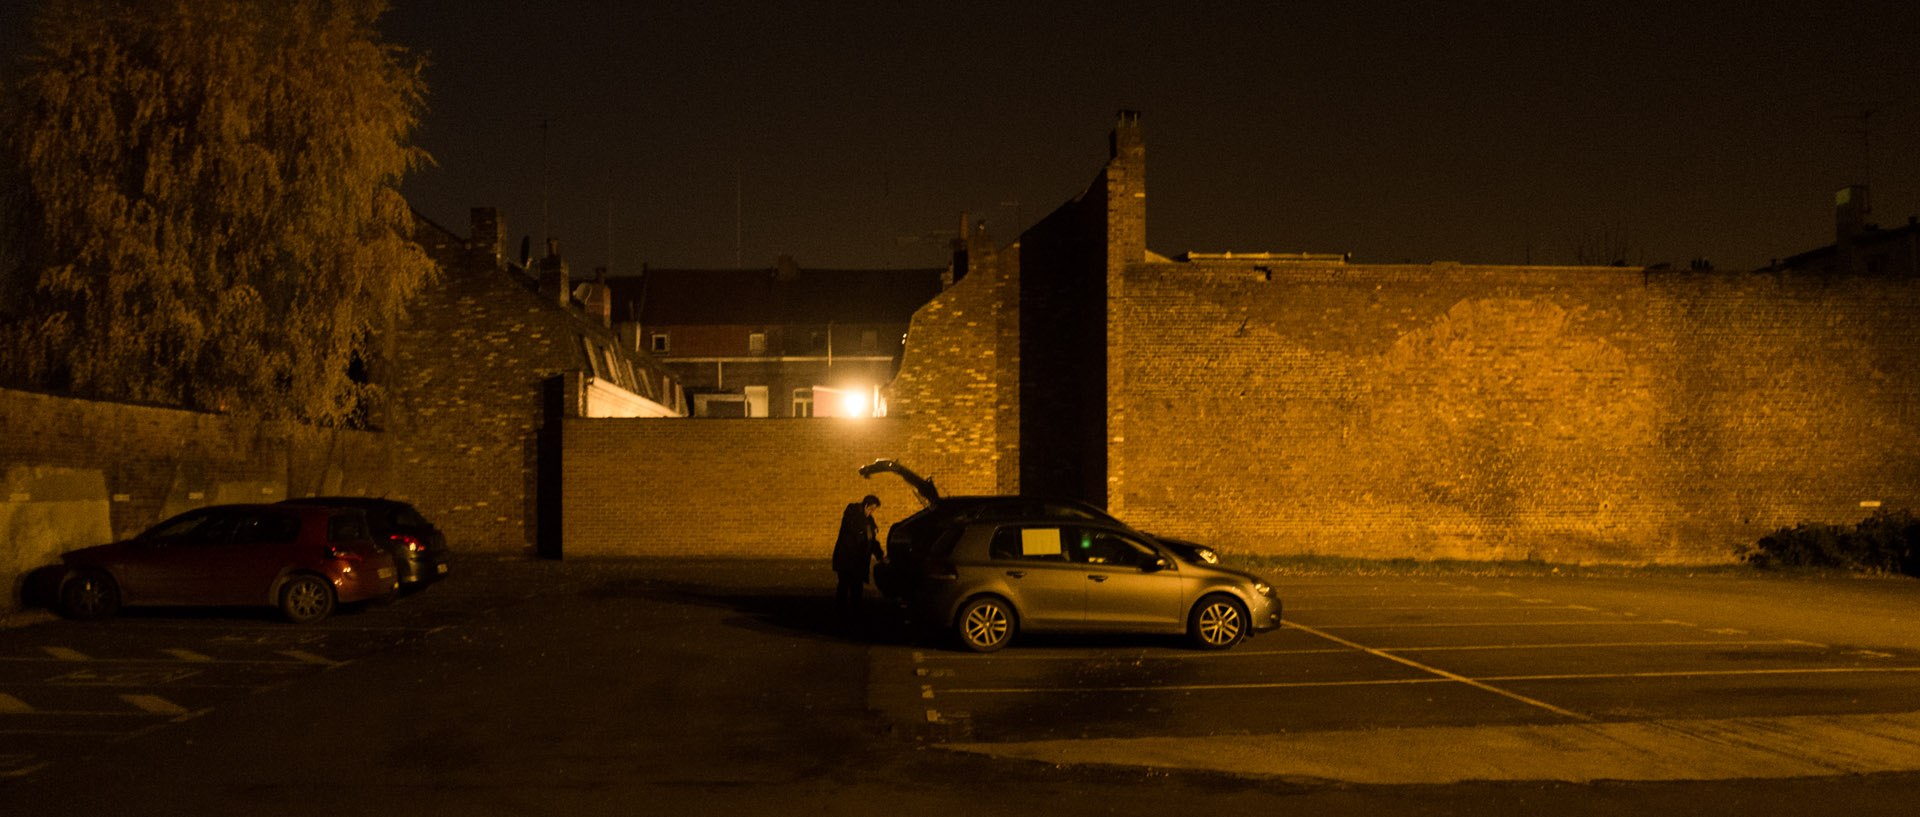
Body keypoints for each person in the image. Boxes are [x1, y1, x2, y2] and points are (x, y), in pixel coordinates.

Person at [832, 494, 884, 622]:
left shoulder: (868, 521)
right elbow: (851, 530)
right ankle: (841, 612)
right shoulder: (853, 515)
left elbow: (871, 540)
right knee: (844, 586)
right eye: (871, 509)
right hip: (847, 558)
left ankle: (855, 612)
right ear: (866, 506)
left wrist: (880, 555)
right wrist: (863, 518)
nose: (872, 512)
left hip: (857, 561)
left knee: (856, 587)